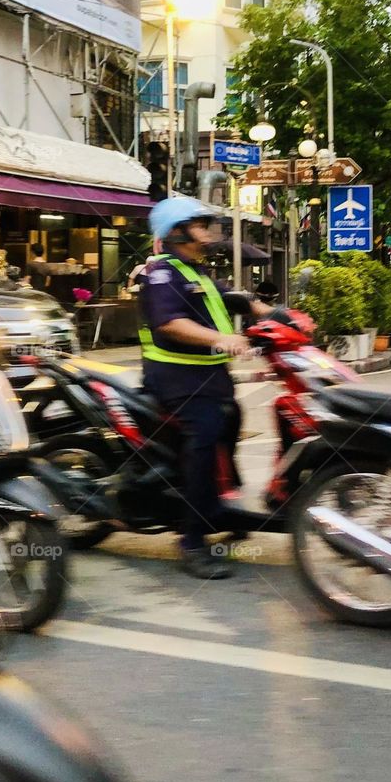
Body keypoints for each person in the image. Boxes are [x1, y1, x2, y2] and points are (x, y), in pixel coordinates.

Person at [139, 196, 270, 579]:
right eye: (198, 223)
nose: (207, 229)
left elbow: (229, 297)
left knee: (230, 426)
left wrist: (275, 314)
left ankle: (219, 506)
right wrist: (223, 338)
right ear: (176, 232)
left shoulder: (195, 271)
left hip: (210, 377)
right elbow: (171, 323)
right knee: (205, 437)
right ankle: (192, 541)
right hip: (176, 378)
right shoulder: (162, 273)